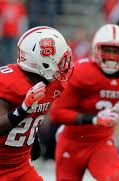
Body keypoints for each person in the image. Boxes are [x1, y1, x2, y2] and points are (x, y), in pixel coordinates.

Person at [49, 24, 119, 181]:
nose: (111, 56)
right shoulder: (80, 71)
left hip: (101, 141)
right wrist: (94, 118)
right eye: (107, 50)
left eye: (116, 51)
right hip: (72, 142)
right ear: (96, 49)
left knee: (114, 177)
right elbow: (57, 114)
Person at [0, 26, 73, 180]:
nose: (64, 65)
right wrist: (23, 109)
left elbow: (34, 117)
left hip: (20, 166)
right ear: (44, 63)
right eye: (60, 60)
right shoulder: (7, 83)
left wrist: (34, 139)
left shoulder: (53, 84)